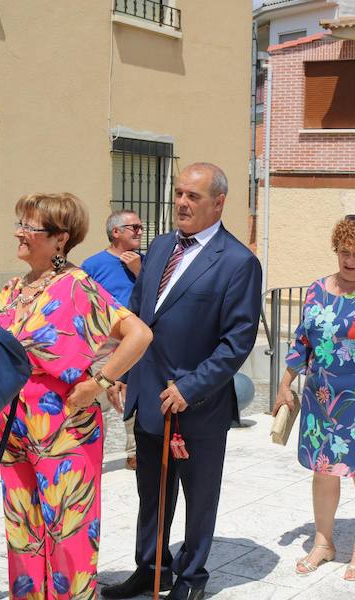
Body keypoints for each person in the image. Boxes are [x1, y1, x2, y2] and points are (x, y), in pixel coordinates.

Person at [102, 163, 262, 600]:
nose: (182, 203)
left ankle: (191, 578)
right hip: (149, 395)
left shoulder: (238, 262)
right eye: (179, 194)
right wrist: (123, 371)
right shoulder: (159, 248)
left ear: (219, 202)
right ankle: (150, 568)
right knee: (152, 493)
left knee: (198, 496)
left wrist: (191, 387)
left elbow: (237, 341)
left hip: (198, 404)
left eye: (193, 196)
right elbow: (135, 315)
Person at [0, 193, 152, 600]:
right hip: (13, 425)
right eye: (20, 223)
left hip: (65, 425)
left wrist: (98, 381)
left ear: (60, 239)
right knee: (22, 528)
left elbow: (139, 334)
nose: (19, 233)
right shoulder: (12, 288)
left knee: (68, 532)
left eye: (30, 227)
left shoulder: (77, 285)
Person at [273, 216, 355, 581]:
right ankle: (323, 541)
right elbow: (303, 340)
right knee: (324, 471)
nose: (349, 261)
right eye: (344, 252)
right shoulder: (317, 289)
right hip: (321, 399)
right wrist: (286, 383)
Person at [82, 209, 144, 471]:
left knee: (135, 398)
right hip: (104, 343)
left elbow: (159, 294)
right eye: (135, 227)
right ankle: (92, 455)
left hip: (138, 341)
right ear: (116, 232)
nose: (140, 232)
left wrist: (140, 270)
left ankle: (135, 453)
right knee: (100, 399)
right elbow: (82, 302)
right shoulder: (93, 265)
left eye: (140, 227)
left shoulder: (145, 261)